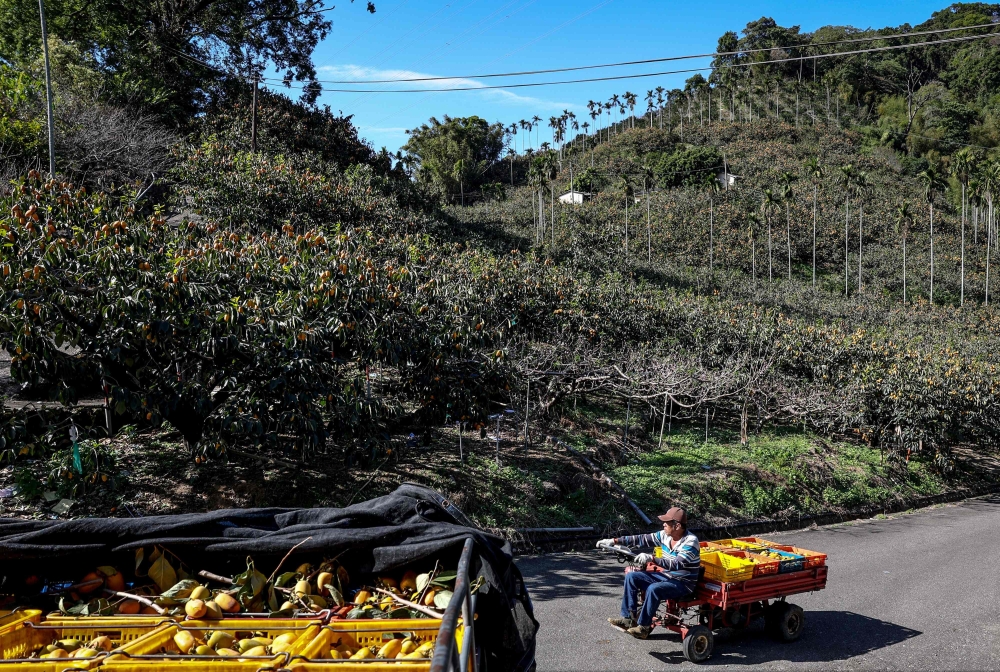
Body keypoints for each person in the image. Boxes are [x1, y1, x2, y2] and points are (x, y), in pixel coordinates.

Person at [596, 506, 700, 639]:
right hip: (666, 576)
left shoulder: (691, 541)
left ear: (677, 525)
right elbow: (642, 538)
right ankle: (628, 618)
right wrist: (614, 541)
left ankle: (644, 627)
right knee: (632, 576)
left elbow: (676, 564)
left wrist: (652, 558)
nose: (663, 524)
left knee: (653, 589)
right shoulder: (665, 535)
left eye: (667, 523)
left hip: (683, 583)